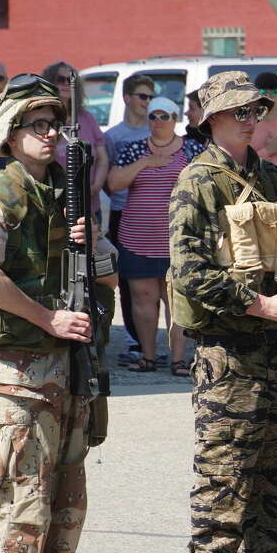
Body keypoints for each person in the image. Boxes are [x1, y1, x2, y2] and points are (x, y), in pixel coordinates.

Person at [0, 72, 118, 553]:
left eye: (55, 123)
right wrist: (48, 318)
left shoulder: (62, 194)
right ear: (10, 131)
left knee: (63, 527)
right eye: (37, 124)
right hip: (17, 384)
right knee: (23, 532)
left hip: (68, 377)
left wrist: (89, 240)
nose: (50, 133)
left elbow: (108, 278)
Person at [169, 71, 277, 553]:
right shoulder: (198, 181)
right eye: (240, 112)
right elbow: (190, 272)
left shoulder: (273, 179)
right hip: (228, 358)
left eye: (256, 111)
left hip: (274, 357)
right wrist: (262, 305)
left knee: (276, 490)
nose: (250, 121)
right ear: (212, 119)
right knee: (224, 488)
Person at [108, 97, 205, 375]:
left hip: (178, 241)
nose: (158, 122)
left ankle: (178, 359)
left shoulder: (192, 149)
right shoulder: (133, 149)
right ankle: (148, 357)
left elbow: (204, 187)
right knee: (142, 300)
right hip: (137, 238)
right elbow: (114, 184)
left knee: (176, 303)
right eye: (153, 116)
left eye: (165, 116)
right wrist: (146, 162)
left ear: (176, 119)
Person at [104, 74, 155, 361]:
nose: (147, 102)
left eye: (150, 96)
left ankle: (158, 342)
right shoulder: (114, 136)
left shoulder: (155, 131)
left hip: (154, 216)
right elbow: (109, 177)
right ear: (127, 98)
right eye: (142, 96)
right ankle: (134, 339)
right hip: (122, 213)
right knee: (126, 279)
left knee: (156, 281)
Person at [43, 62, 108, 217]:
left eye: (71, 80)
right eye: (60, 79)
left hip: (90, 206)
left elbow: (103, 158)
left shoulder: (87, 117)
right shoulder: (44, 119)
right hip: (57, 209)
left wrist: (96, 185)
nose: (66, 84)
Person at [250, 72, 277, 171]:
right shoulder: (248, 127)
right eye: (263, 92)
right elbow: (243, 165)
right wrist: (268, 151)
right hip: (258, 185)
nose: (268, 96)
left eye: (273, 92)